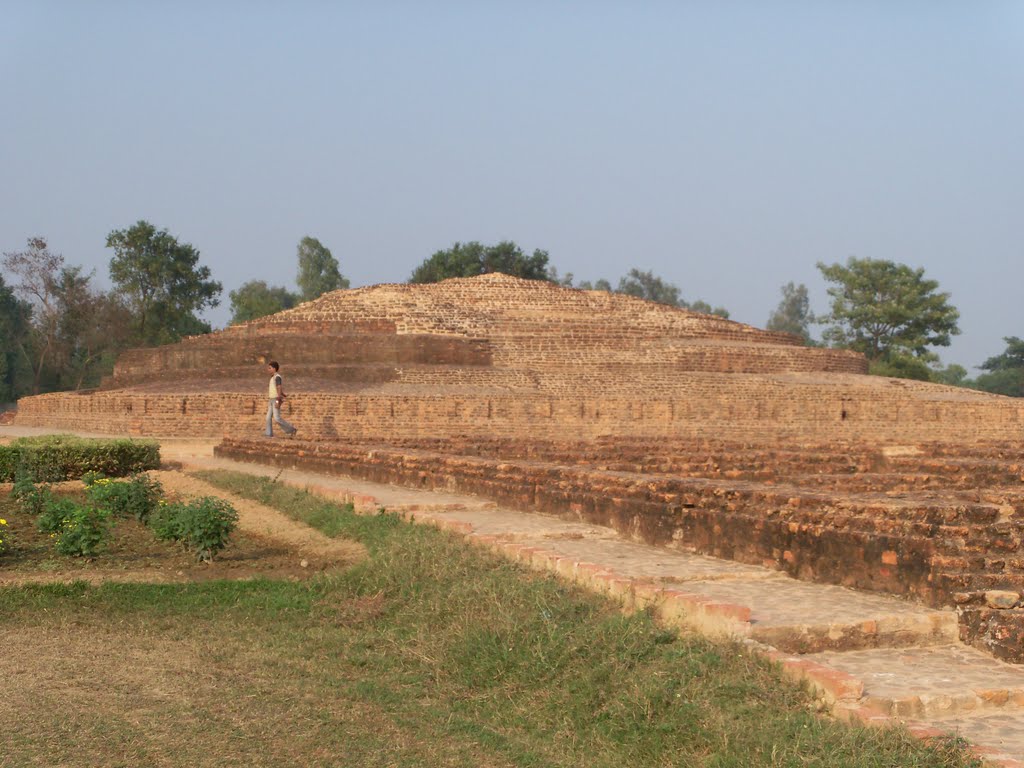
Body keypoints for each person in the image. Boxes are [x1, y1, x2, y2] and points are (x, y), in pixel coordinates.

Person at [265, 360, 297, 438]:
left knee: (277, 418)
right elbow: (278, 388)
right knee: (268, 417)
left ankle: (292, 430)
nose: (268, 370)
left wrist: (278, 400)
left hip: (276, 399)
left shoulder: (277, 377)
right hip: (271, 400)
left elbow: (279, 387)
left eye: (270, 368)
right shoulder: (273, 377)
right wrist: (283, 394)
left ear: (274, 368)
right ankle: (268, 434)